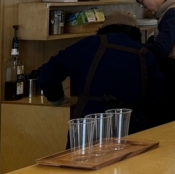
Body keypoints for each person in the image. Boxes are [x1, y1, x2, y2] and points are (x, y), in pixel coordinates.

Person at [36, 12, 166, 133]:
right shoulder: (143, 53)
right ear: (136, 32)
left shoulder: (87, 45)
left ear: (103, 29)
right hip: (130, 125)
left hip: (89, 123)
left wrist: (57, 98)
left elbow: (48, 74)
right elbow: (158, 96)